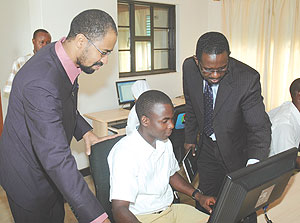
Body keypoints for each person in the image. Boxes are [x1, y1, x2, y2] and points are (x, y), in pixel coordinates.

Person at [0, 9, 118, 223]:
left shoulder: (63, 54)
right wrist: (97, 217)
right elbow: (56, 157)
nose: (106, 60)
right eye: (104, 52)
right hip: (27, 178)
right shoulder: (41, 81)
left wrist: (86, 133)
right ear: (81, 40)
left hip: (48, 168)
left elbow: (62, 104)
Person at [182, 32, 271, 222]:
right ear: (197, 60)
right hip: (207, 147)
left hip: (237, 149)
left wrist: (252, 167)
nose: (215, 75)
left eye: (222, 69)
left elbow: (259, 128)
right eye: (207, 70)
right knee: (207, 200)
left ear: (228, 57)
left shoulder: (247, 79)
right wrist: (190, 138)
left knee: (242, 204)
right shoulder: (189, 68)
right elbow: (190, 103)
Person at [108, 90, 216, 223]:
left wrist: (198, 196)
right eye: (164, 121)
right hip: (143, 217)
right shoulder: (125, 153)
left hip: (170, 210)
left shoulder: (164, 142)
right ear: (145, 120)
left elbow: (171, 175)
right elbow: (119, 209)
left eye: (172, 119)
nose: (171, 125)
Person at [3, 29, 52, 94]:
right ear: (33, 41)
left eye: (48, 43)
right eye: (42, 42)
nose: (45, 46)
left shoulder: (53, 63)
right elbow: (10, 89)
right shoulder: (21, 62)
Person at [268, 78, 300, 167]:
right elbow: (288, 161)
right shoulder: (285, 124)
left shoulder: (289, 109)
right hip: (270, 174)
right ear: (299, 96)